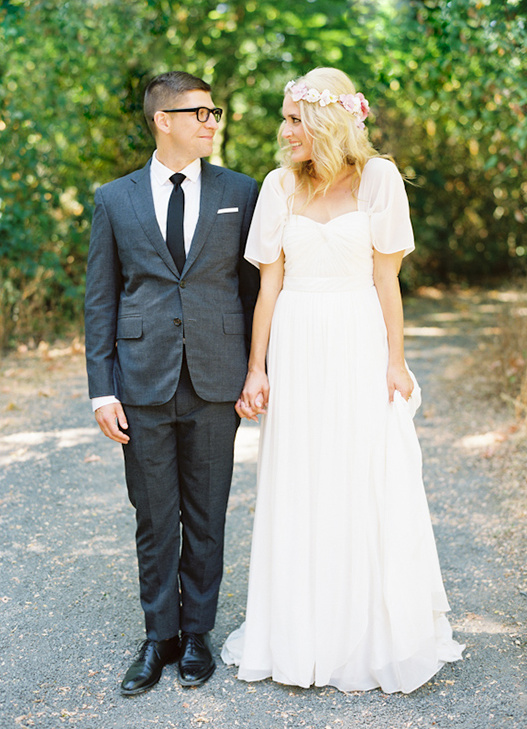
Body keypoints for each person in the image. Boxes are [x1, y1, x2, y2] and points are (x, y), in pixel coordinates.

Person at [221, 67, 464, 694]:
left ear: (327, 122)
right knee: (302, 476)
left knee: (366, 475)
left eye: (295, 119)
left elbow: (388, 279)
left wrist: (396, 360)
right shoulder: (279, 186)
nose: (285, 130)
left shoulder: (378, 178)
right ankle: (302, 633)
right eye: (286, 118)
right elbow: (267, 286)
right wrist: (257, 368)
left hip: (359, 339)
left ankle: (369, 633)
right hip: (298, 342)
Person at [85, 71, 259, 695]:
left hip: (217, 377)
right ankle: (158, 636)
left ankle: (197, 634)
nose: (213, 121)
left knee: (207, 511)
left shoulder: (244, 191)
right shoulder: (115, 198)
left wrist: (256, 368)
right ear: (164, 120)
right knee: (155, 515)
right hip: (141, 381)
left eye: (216, 111)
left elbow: (254, 291)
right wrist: (102, 390)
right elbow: (101, 299)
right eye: (201, 112)